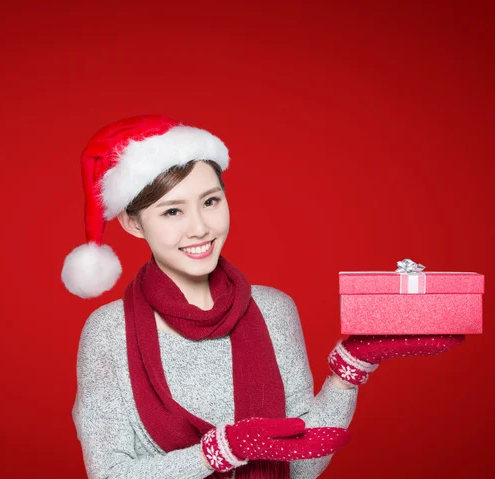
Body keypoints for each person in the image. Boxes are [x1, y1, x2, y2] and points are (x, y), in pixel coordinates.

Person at [62, 115, 464, 479]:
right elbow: (110, 474)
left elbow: (303, 465)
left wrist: (349, 370)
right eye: (172, 212)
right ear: (133, 223)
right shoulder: (109, 331)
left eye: (210, 201)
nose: (200, 227)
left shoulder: (274, 309)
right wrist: (219, 452)